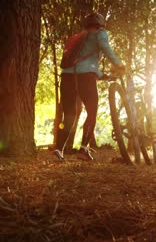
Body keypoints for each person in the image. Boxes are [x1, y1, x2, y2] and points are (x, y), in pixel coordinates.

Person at [53, 12, 125, 161]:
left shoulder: (78, 38)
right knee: (92, 112)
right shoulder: (100, 33)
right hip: (86, 77)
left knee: (70, 115)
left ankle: (59, 149)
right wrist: (118, 64)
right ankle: (83, 149)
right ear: (101, 24)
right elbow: (104, 47)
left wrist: (100, 74)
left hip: (67, 76)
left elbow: (81, 63)